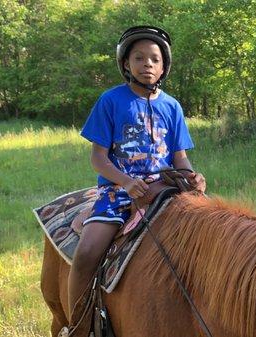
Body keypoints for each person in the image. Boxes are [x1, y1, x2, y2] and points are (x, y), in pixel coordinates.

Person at [67, 26, 206, 322]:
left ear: (164, 66)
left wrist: (193, 178)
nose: (148, 65)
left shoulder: (172, 106)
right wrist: (126, 182)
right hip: (119, 190)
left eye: (155, 59)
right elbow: (99, 158)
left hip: (166, 187)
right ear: (126, 64)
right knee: (88, 252)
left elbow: (180, 158)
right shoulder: (111, 101)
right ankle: (77, 324)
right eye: (139, 58)